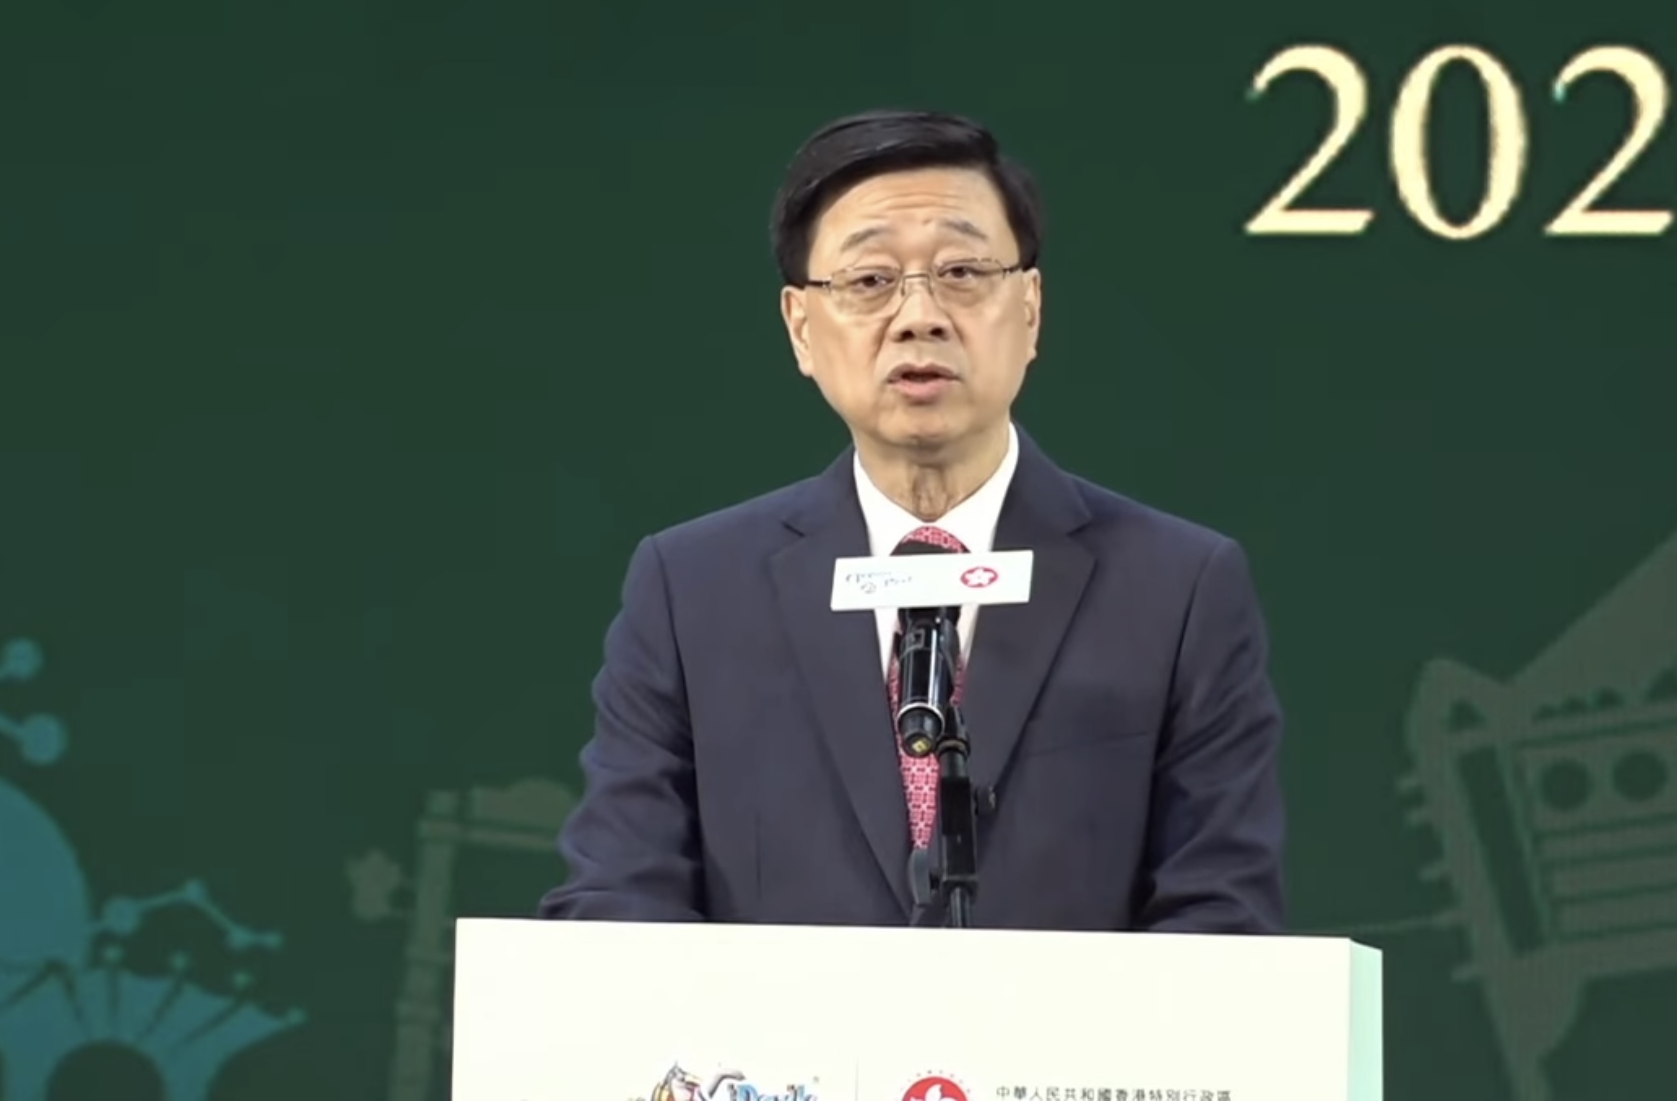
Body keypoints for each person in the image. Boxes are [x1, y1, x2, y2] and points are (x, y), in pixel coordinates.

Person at [538, 109, 1285, 933]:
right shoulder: (692, 592)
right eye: (869, 281)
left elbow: (1220, 913)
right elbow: (618, 897)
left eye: (962, 271)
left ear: (1030, 309)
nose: (919, 316)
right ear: (800, 329)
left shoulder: (1176, 588)